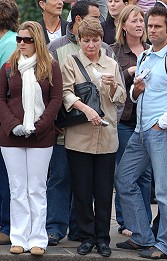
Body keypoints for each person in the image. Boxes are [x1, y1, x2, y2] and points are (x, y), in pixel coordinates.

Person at [115, 6, 167, 259]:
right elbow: (135, 96)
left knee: (165, 192)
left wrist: (163, 123)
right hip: (140, 131)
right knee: (124, 180)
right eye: (150, 26)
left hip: (161, 132)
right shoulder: (145, 57)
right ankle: (142, 237)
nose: (152, 30)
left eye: (158, 26)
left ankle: (166, 246)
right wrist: (136, 91)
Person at [46, 0, 111, 246]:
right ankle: (54, 228)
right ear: (78, 20)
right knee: (60, 177)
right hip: (64, 126)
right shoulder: (56, 48)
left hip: (94, 129)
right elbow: (49, 88)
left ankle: (79, 230)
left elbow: (114, 90)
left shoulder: (106, 49)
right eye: (94, 17)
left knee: (84, 184)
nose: (99, 22)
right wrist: (53, 121)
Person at [61, 17, 125, 257]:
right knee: (82, 190)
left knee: (104, 190)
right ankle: (86, 237)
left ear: (102, 40)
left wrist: (111, 86)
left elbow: (121, 98)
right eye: (86, 40)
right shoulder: (71, 61)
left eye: (95, 40)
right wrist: (86, 109)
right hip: (79, 136)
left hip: (107, 136)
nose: (90, 45)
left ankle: (103, 238)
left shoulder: (111, 63)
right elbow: (65, 93)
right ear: (79, 40)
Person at [0, 21, 63, 255]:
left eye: (27, 39)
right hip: (11, 137)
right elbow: (0, 99)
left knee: (36, 188)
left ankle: (37, 239)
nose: (22, 44)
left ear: (37, 41)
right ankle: (19, 237)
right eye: (19, 39)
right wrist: (13, 125)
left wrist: (40, 126)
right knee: (17, 189)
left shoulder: (51, 66)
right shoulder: (9, 66)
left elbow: (56, 100)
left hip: (41, 137)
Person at [110, 4, 152, 238]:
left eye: (141, 20)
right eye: (134, 20)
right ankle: (126, 220)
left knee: (145, 175)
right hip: (125, 121)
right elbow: (110, 86)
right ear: (123, 25)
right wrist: (127, 73)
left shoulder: (151, 50)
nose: (139, 24)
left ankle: (143, 219)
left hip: (148, 121)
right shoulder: (114, 52)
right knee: (126, 173)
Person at [0, 0, 19, 246]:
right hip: (13, 117)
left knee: (6, 176)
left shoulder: (8, 44)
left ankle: (6, 226)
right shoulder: (16, 40)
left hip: (6, 119)